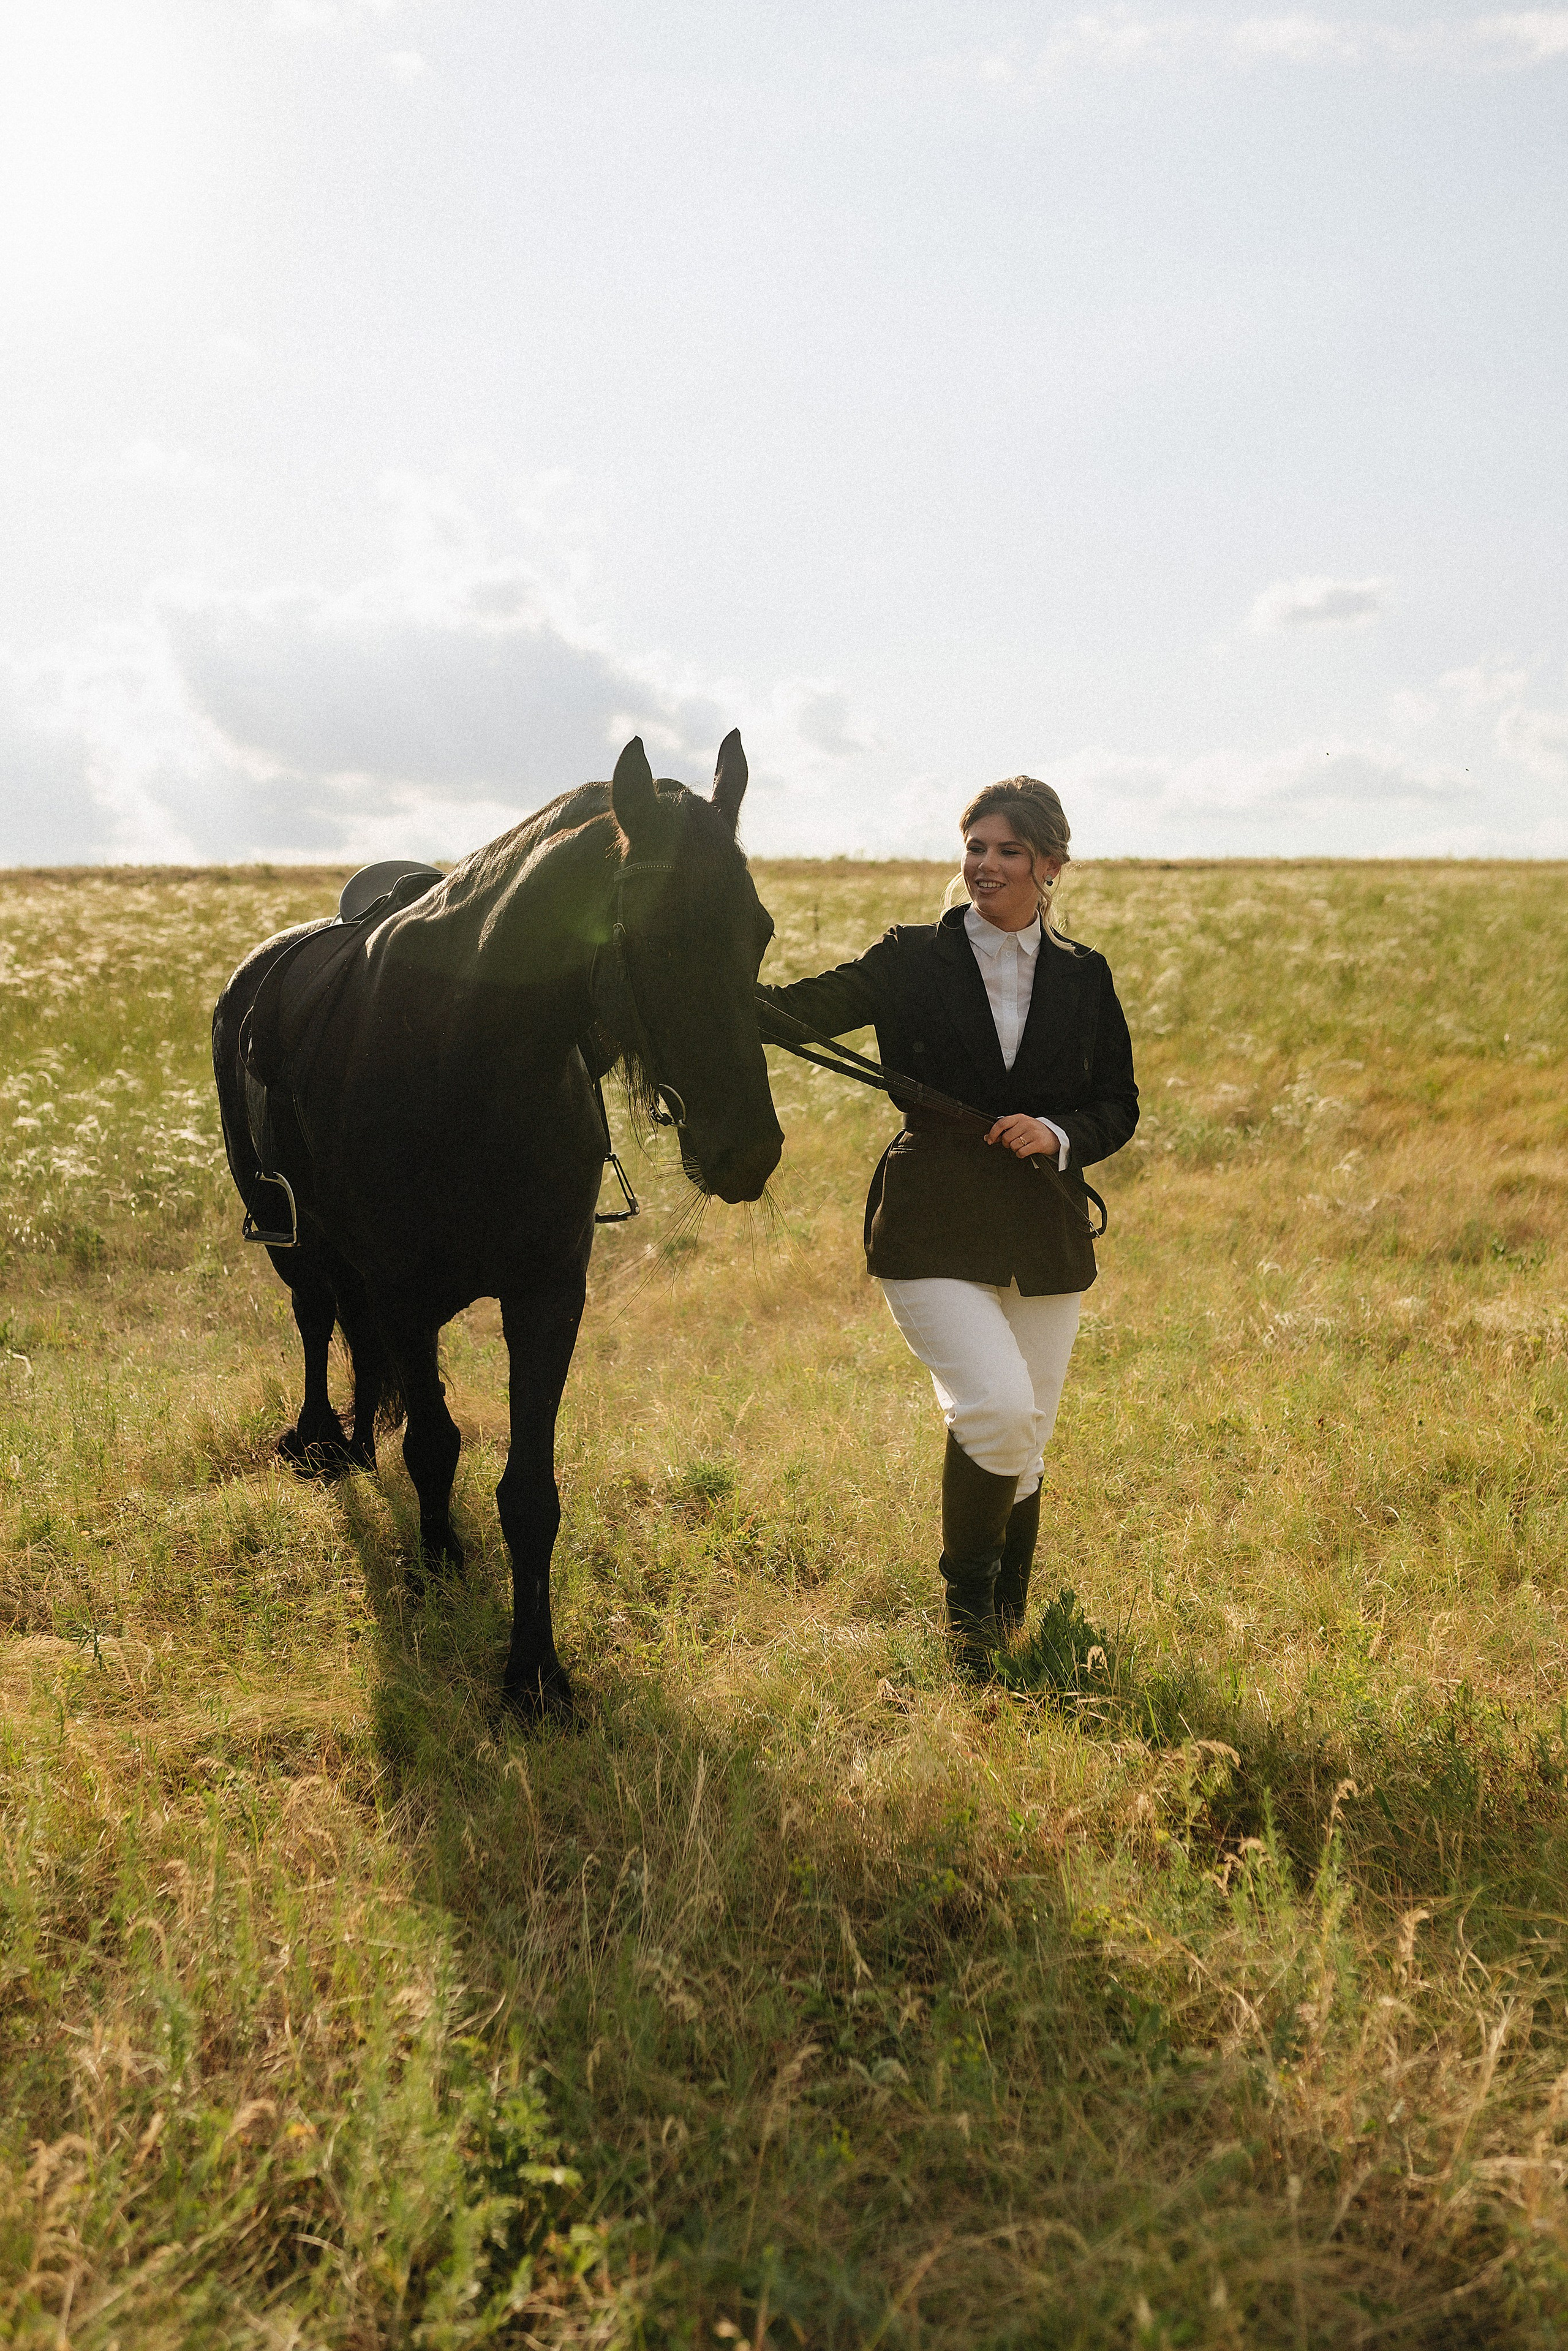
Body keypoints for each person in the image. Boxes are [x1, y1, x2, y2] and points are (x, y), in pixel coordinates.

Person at [759, 778, 1138, 1671]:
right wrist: (687, 974)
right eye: (975, 847)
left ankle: (1005, 1632)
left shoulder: (1084, 975)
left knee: (1026, 1437)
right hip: (930, 1222)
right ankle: (968, 1638)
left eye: (1009, 851)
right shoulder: (909, 957)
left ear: (1050, 865)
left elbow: (1118, 1103)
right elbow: (790, 1013)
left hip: (1043, 1231)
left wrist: (1059, 1133)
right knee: (997, 1409)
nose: (986, 866)